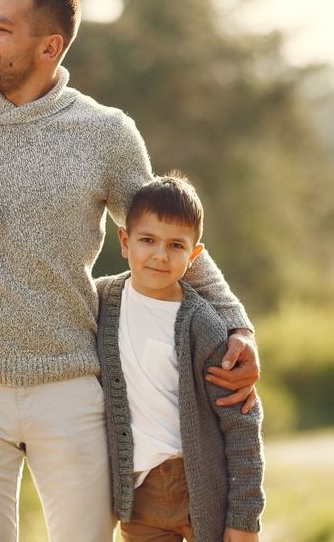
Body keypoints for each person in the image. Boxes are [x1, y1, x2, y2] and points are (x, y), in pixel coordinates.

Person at [0, 0, 261, 542]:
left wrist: (238, 325)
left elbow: (165, 236)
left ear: (49, 46)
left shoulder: (105, 133)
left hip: (70, 384)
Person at [96, 173, 265, 542]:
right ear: (124, 241)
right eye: (147, 240)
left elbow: (241, 421)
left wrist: (244, 517)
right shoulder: (100, 303)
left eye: (175, 245)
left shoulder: (201, 323)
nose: (159, 254)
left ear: (194, 256)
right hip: (138, 498)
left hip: (203, 492)